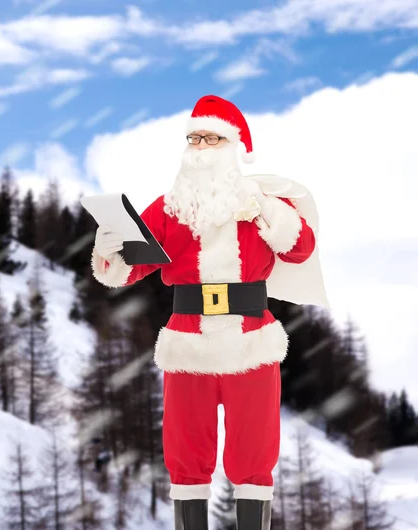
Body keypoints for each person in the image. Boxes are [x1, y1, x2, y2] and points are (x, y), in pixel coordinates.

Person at [90, 95, 328, 530]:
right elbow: (127, 270)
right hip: (188, 340)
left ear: (233, 147)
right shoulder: (167, 209)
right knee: (185, 449)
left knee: (254, 451)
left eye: (210, 138)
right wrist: (111, 253)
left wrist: (270, 213)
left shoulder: (263, 205)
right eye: (193, 138)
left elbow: (301, 249)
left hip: (250, 338)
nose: (199, 147)